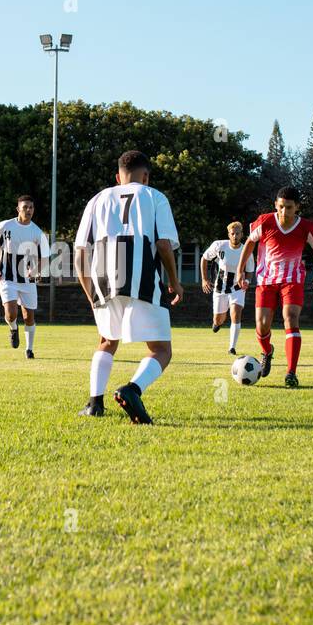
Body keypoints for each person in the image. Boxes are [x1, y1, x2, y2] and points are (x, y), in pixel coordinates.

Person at [74, 150, 183, 424]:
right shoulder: (154, 196)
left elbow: (79, 253)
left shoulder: (97, 199)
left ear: (117, 177)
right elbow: (163, 244)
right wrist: (174, 280)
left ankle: (94, 404)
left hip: (104, 280)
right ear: (145, 176)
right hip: (142, 278)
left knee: (107, 341)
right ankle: (133, 390)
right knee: (161, 349)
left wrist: (90, 294)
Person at [235, 186, 313, 387]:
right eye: (281, 207)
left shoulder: (306, 227)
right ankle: (267, 352)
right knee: (262, 325)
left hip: (292, 280)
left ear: (297, 208)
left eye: (289, 207)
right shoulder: (266, 221)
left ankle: (291, 373)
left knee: (291, 318)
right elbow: (250, 243)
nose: (284, 211)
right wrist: (240, 270)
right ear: (276, 205)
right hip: (266, 280)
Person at [0, 195, 49, 359]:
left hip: (27, 280)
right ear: (18, 209)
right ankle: (13, 328)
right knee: (11, 314)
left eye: (31, 207)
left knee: (28, 316)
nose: (28, 210)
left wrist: (36, 271)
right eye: (25, 207)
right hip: (8, 278)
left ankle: (29, 349)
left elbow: (45, 257)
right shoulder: (5, 226)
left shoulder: (37, 232)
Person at [201, 221, 255, 355]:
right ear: (228, 235)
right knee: (219, 319)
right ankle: (217, 323)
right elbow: (204, 258)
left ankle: (232, 347)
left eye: (238, 233)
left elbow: (250, 270)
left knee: (236, 314)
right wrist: (204, 279)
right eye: (233, 234)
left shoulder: (246, 250)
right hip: (220, 288)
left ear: (242, 234)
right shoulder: (219, 245)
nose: (235, 236)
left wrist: (247, 280)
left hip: (237, 287)